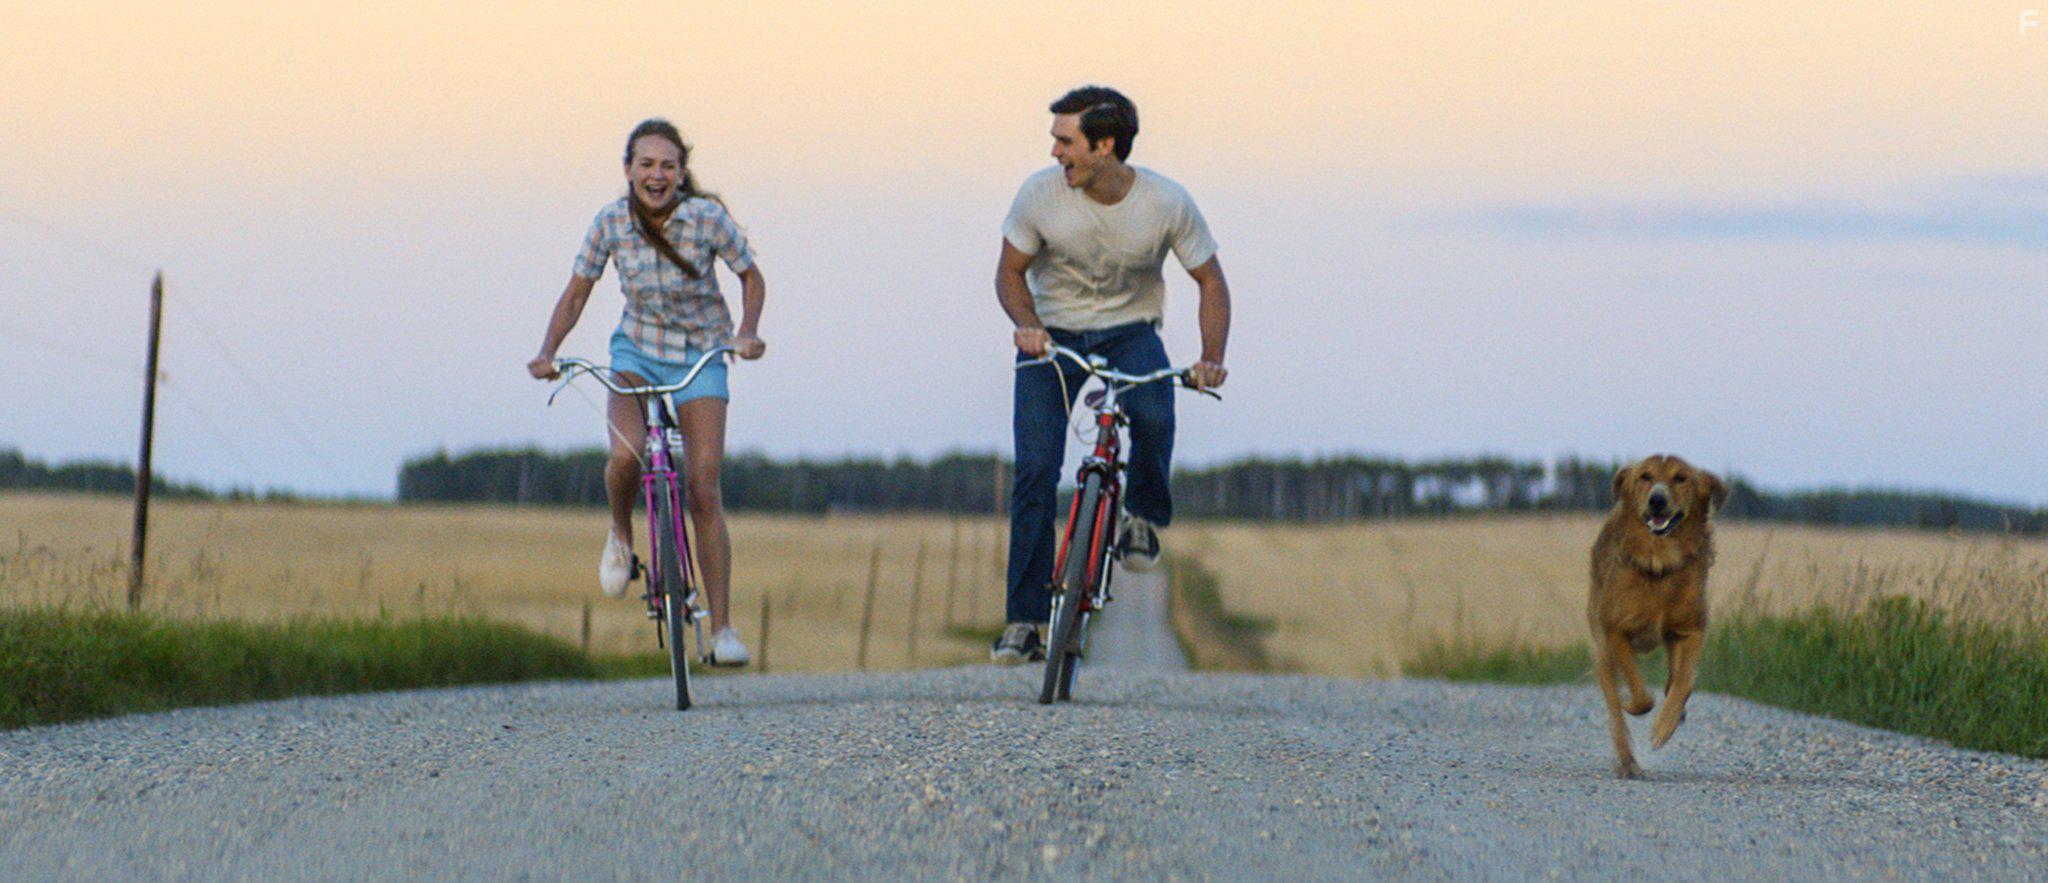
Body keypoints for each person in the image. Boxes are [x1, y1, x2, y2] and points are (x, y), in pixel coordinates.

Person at [991, 86, 1232, 663]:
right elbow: (1009, 274)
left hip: (1130, 331)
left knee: (1154, 410)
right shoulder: (1039, 195)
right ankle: (1024, 622)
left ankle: (1141, 517)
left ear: (1104, 146)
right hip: (1052, 335)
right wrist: (1028, 326)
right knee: (1035, 471)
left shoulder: (1166, 202)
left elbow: (1211, 282)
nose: (1054, 152)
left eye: (1065, 141)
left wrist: (1211, 358)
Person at [528, 118, 765, 666]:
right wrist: (548, 351)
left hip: (700, 351)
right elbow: (577, 292)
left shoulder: (707, 219)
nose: (656, 175)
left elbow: (751, 277)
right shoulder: (610, 222)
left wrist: (747, 331)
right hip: (636, 351)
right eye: (646, 165)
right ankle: (620, 534)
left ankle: (723, 631)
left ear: (682, 173)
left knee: (703, 486)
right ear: (628, 169)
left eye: (668, 166)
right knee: (625, 454)